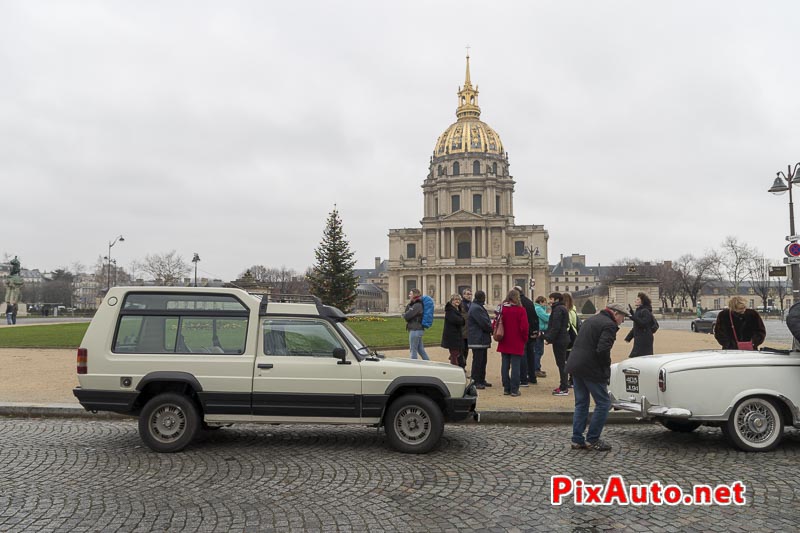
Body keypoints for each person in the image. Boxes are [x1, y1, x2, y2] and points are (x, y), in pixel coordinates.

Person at [566, 302, 630, 451]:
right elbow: (603, 350)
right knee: (604, 403)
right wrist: (605, 369)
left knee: (581, 403)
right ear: (615, 313)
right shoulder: (609, 325)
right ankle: (593, 438)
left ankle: (577, 439)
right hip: (591, 368)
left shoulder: (591, 320)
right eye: (623, 317)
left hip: (576, 364)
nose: (623, 320)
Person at [496, 289, 529, 396]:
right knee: (515, 366)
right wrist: (524, 339)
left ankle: (506, 388)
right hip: (517, 341)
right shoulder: (521, 310)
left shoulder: (501, 308)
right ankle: (514, 390)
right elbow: (524, 327)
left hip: (504, 340)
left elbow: (495, 324)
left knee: (504, 366)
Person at [544, 292, 570, 396]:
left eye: (551, 299)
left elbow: (556, 326)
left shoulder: (558, 309)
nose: (549, 301)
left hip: (560, 340)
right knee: (561, 363)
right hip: (562, 338)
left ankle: (564, 388)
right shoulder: (561, 308)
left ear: (556, 300)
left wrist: (548, 338)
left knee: (561, 363)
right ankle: (564, 385)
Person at [467, 290, 493, 388]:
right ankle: (476, 381)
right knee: (478, 361)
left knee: (482, 361)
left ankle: (481, 379)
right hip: (478, 338)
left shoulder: (476, 307)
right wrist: (491, 328)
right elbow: (484, 323)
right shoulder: (476, 308)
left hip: (480, 338)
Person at [514, 286, 538, 386]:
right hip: (531, 332)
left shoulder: (517, 304)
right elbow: (535, 318)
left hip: (522, 332)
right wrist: (535, 331)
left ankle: (522, 377)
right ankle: (532, 377)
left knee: (522, 355)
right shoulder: (529, 302)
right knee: (531, 355)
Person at [624, 292, 656, 357]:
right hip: (640, 337)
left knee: (642, 357)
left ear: (642, 302)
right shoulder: (639, 311)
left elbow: (643, 323)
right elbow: (636, 326)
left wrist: (632, 316)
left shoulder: (645, 311)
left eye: (638, 299)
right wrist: (629, 337)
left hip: (644, 338)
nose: (635, 300)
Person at [403, 288, 430, 360]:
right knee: (420, 349)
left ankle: (414, 366)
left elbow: (407, 316)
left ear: (414, 295)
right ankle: (429, 365)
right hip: (418, 329)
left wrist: (405, 314)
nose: (409, 295)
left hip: (415, 329)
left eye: (410, 294)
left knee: (413, 350)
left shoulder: (417, 305)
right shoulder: (416, 304)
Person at [441, 294, 465, 366]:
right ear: (452, 301)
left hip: (456, 336)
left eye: (459, 299)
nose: (457, 301)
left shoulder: (457, 309)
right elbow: (459, 321)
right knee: (455, 355)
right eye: (455, 299)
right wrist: (462, 320)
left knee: (456, 354)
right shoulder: (450, 311)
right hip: (452, 337)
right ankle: (454, 370)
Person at [563, 292, 579, 387]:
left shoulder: (567, 312)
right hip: (574, 336)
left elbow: (567, 325)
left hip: (569, 337)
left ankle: (571, 379)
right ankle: (572, 379)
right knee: (571, 359)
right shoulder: (573, 310)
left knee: (568, 360)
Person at [533, 296, 550, 378]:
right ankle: (536, 369)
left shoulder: (538, 308)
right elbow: (546, 318)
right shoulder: (539, 309)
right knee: (538, 351)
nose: (546, 304)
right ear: (540, 302)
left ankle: (536, 368)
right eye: (544, 302)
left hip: (540, 331)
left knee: (538, 351)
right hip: (540, 332)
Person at [459, 288, 473, 368]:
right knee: (461, 350)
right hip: (461, 331)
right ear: (463, 295)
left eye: (470, 294)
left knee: (466, 350)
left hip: (469, 332)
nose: (469, 296)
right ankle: (461, 366)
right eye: (467, 294)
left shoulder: (472, 304)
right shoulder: (460, 304)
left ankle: (463, 365)